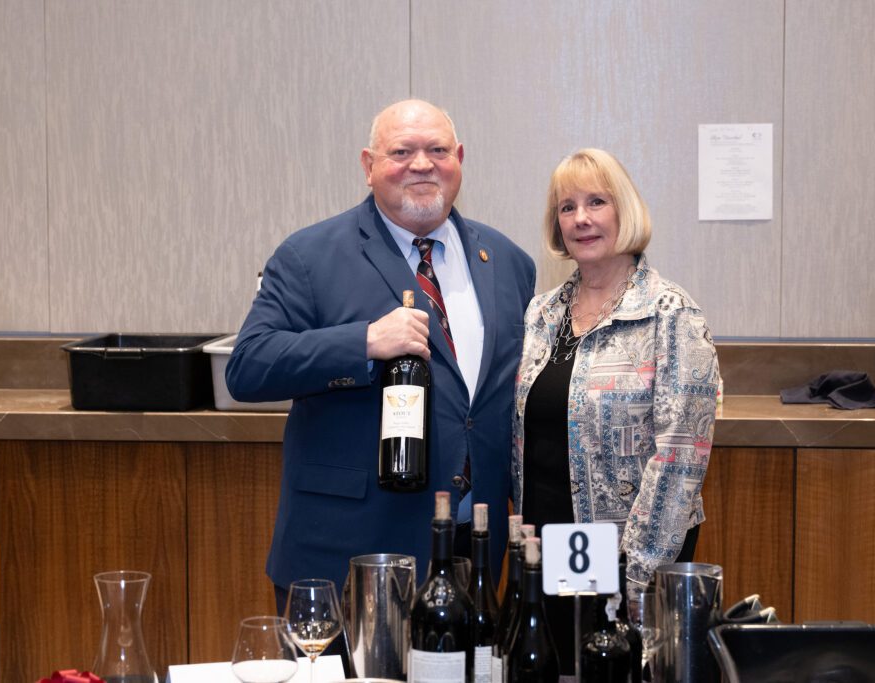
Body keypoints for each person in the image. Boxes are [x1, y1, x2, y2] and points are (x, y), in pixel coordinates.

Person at [226, 99, 536, 615]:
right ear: (369, 166)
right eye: (402, 151)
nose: (421, 164)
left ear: (459, 158)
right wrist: (363, 341)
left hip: (469, 549)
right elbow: (248, 366)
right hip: (346, 552)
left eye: (437, 149)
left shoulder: (508, 262)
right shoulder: (309, 256)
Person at [512, 148, 718, 668]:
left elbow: (680, 457)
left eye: (596, 202)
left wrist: (640, 572)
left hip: (632, 550)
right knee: (559, 666)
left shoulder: (670, 314)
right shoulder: (543, 312)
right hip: (550, 546)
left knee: (618, 669)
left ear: (623, 211)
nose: (580, 218)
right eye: (567, 207)